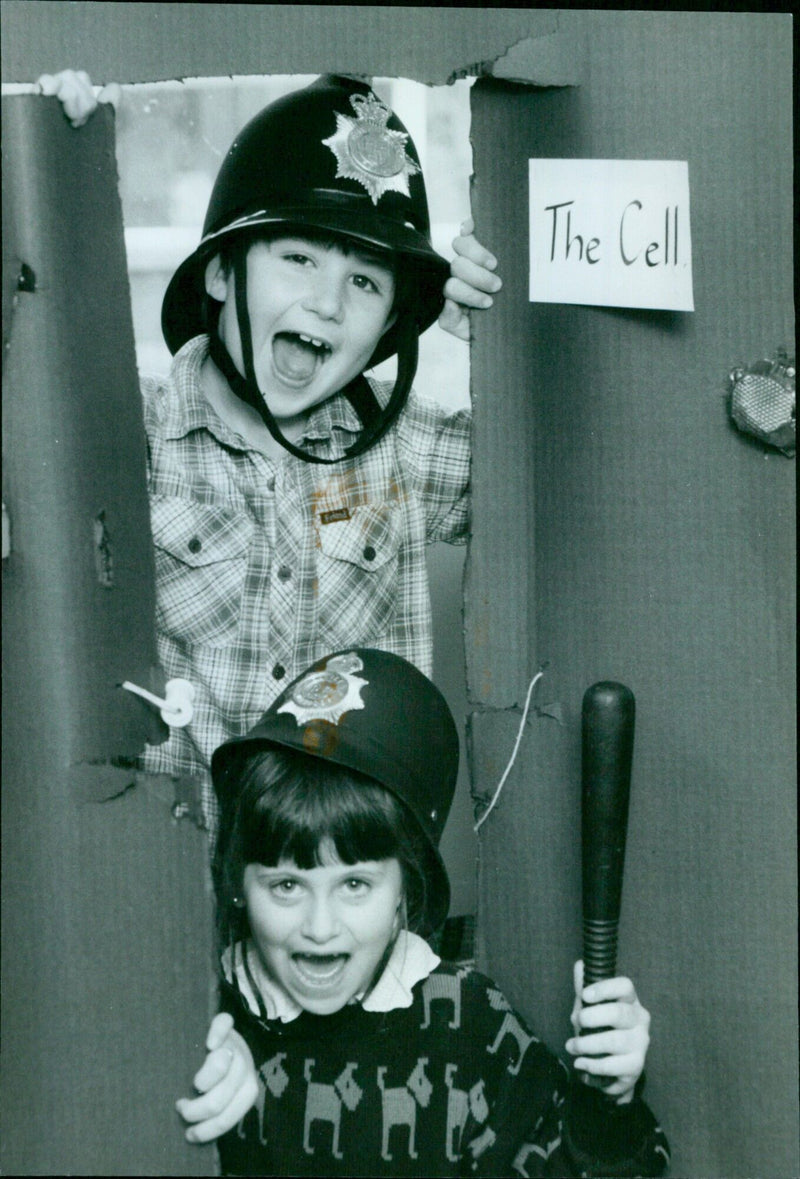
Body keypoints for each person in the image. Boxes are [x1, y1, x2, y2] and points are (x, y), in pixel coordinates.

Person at [40, 70, 502, 831]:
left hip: (338, 897)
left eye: (365, 279)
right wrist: (32, 151)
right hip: (155, 890)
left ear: (389, 325)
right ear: (221, 272)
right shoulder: (123, 432)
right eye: (299, 259)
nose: (327, 302)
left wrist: (512, 335)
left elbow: (575, 471)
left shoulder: (408, 447)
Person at [176, 648, 671, 1176]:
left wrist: (603, 1103)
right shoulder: (195, 1016)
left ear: (404, 892)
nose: (319, 929)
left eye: (356, 884)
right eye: (287, 885)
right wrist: (178, 1076)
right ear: (239, 884)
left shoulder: (468, 1025)